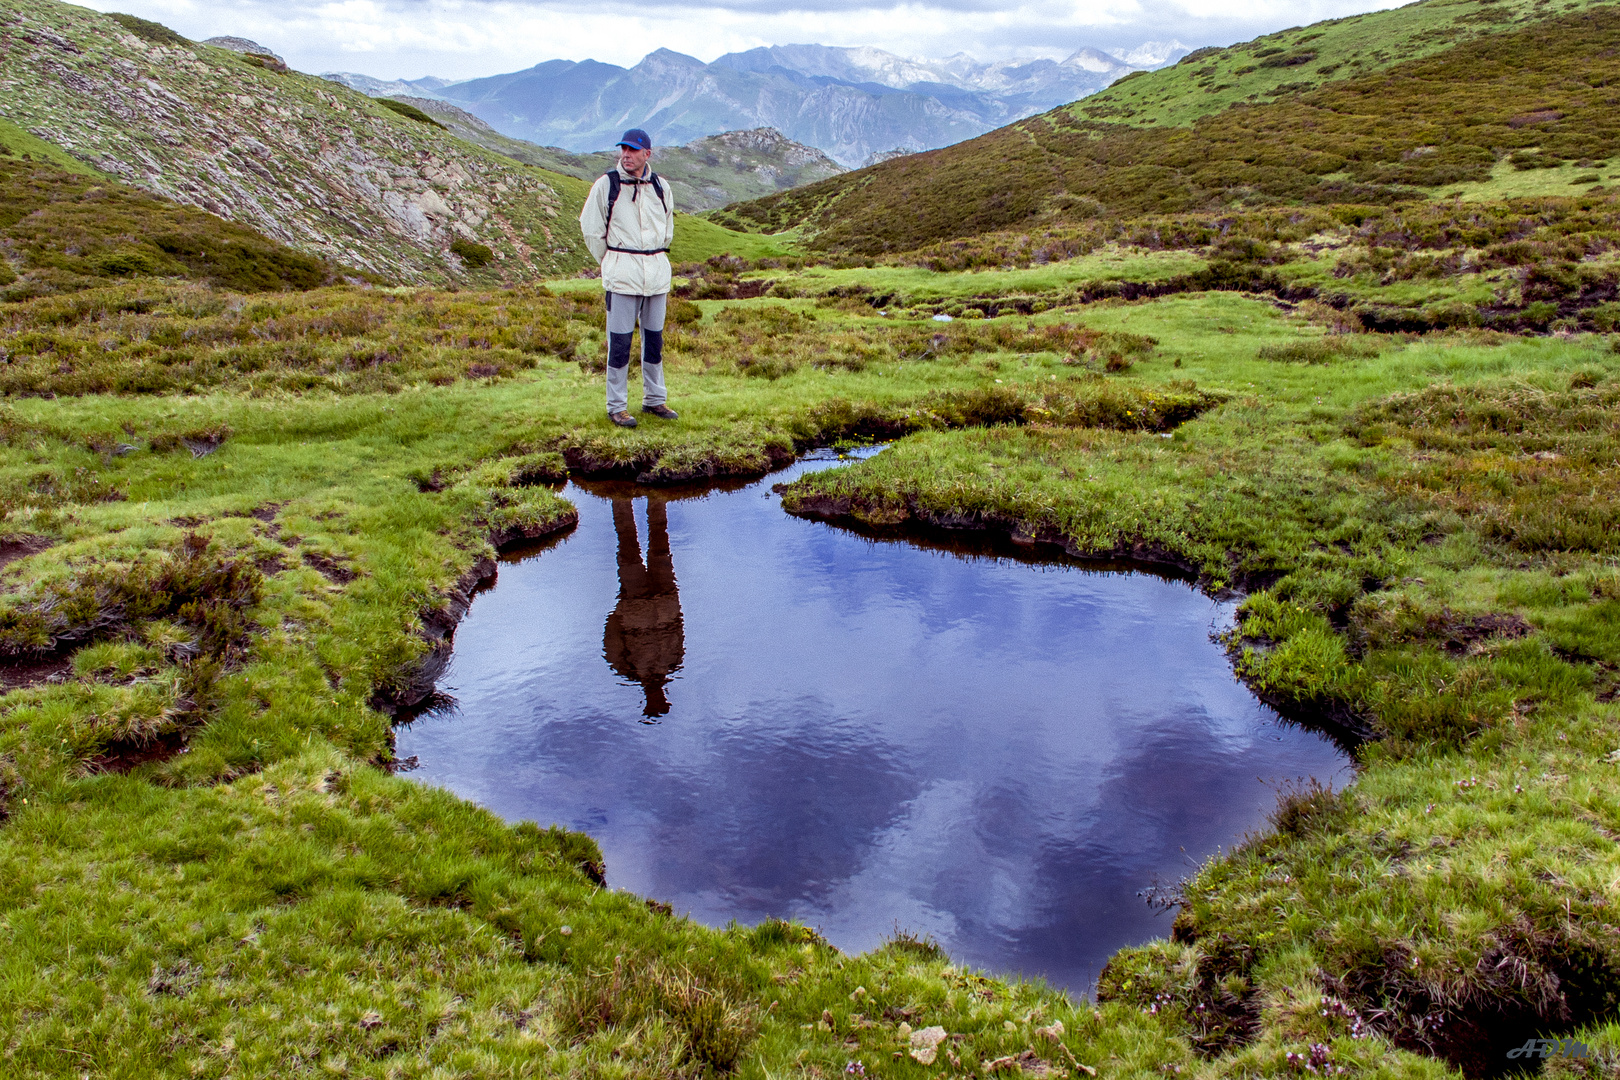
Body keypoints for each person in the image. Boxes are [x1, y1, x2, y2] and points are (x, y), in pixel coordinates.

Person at [578, 128, 678, 428]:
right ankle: (617, 406)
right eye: (623, 149)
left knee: (654, 342)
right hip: (622, 276)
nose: (627, 155)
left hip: (657, 275)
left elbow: (667, 228)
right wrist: (613, 261)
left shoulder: (661, 186)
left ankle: (654, 400)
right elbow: (591, 230)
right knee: (620, 344)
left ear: (647, 153)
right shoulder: (606, 185)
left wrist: (654, 257)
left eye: (634, 150)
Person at [603, 496, 685, 718]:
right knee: (656, 542)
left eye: (656, 701)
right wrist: (620, 612)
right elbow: (680, 628)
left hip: (639, 604)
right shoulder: (674, 662)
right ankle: (629, 494)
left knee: (631, 547)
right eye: (660, 701)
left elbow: (611, 640)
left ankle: (644, 494)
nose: (658, 696)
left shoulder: (627, 670)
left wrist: (620, 612)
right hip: (654, 601)